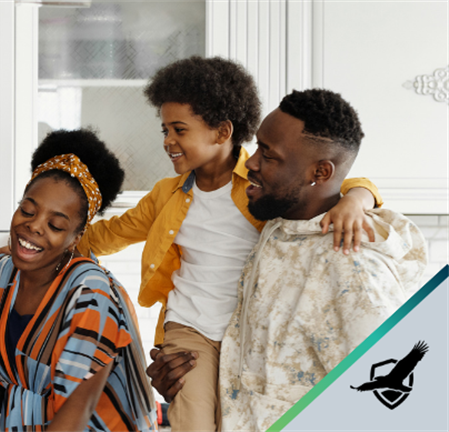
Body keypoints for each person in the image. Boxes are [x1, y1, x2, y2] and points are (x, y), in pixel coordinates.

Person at [68, 57, 380, 431]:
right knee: (195, 423)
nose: (167, 141)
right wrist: (48, 240)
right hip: (189, 330)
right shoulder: (167, 195)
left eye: (179, 130)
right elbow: (106, 235)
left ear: (221, 132)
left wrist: (358, 197)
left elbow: (330, 180)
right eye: (165, 130)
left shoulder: (265, 184)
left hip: (245, 331)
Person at [217, 89, 427, 430]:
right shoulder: (282, 225)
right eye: (258, 147)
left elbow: (395, 408)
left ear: (320, 172)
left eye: (268, 156)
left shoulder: (350, 265)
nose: (251, 163)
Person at [0, 129, 157, 431]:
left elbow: (77, 412)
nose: (34, 227)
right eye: (27, 210)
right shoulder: (2, 273)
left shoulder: (91, 294)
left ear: (75, 238)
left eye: (55, 225)